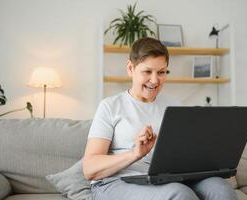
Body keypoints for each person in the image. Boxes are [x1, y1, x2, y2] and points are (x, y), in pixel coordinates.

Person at [82, 37, 237, 200]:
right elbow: (90, 169)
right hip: (115, 182)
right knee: (180, 194)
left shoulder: (175, 107)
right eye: (147, 71)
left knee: (221, 190)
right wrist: (135, 154)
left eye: (161, 72)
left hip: (166, 178)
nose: (155, 80)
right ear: (130, 68)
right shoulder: (110, 106)